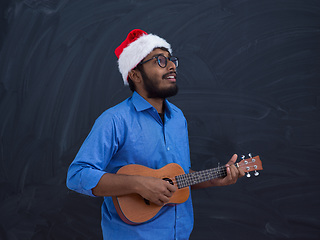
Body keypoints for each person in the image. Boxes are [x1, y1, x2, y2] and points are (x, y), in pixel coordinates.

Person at [66, 29, 245, 240]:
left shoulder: (178, 118)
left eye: (171, 60)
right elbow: (77, 175)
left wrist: (214, 179)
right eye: (159, 61)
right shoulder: (115, 120)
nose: (171, 66)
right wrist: (137, 184)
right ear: (135, 75)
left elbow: (176, 176)